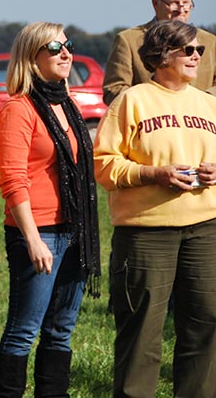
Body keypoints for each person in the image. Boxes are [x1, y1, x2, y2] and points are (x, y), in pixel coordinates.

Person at [94, 20, 216, 397]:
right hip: (147, 233)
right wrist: (152, 173)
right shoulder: (132, 100)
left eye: (200, 50)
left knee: (206, 328)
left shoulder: (209, 103)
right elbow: (103, 164)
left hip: (206, 229)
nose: (197, 57)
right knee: (142, 334)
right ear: (163, 55)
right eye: (188, 50)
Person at [0, 23, 101, 397]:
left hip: (75, 231)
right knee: (24, 330)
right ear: (31, 57)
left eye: (68, 45)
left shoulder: (68, 106)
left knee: (61, 330)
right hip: (39, 233)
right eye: (55, 47)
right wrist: (33, 239)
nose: (66, 53)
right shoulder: (18, 109)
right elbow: (13, 181)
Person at [102, 0, 216, 104]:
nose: (181, 10)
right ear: (155, 3)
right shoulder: (128, 41)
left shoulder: (210, 42)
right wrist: (154, 104)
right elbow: (113, 89)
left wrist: (200, 100)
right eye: (174, 3)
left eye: (186, 3)